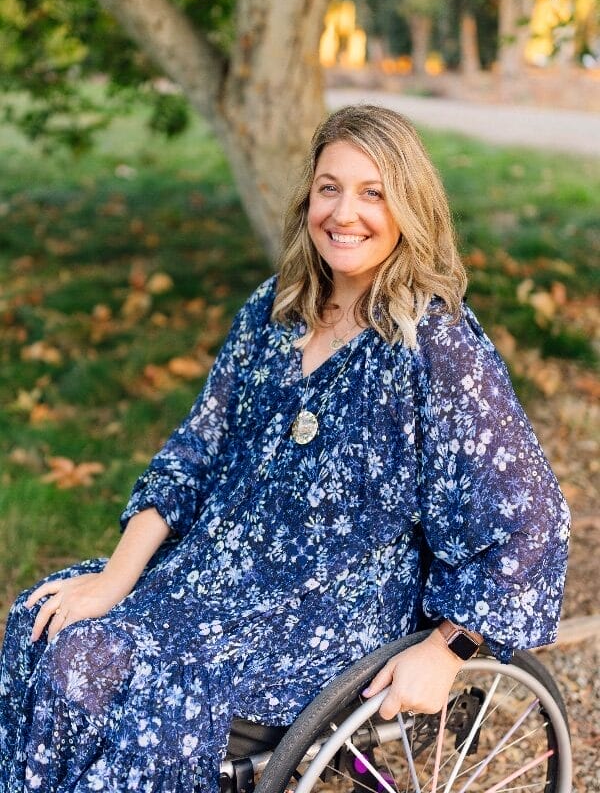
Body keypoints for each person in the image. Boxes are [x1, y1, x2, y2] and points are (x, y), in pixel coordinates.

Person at [0, 104, 569, 793]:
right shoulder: (275, 312)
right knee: (41, 620)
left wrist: (446, 652)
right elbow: (192, 456)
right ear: (308, 200)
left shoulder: (435, 346)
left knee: (96, 659)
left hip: (334, 607)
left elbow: (528, 514)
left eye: (373, 192)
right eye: (330, 187)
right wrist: (115, 580)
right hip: (217, 575)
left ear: (409, 208)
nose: (345, 212)